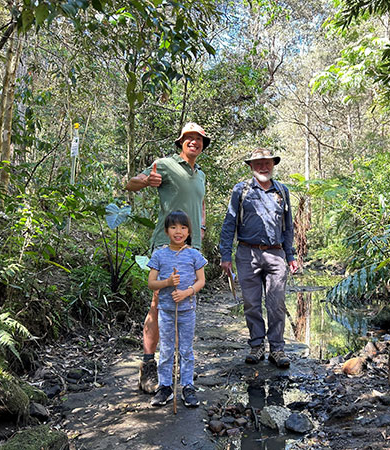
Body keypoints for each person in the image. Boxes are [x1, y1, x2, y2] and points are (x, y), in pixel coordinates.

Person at [126, 122, 210, 394]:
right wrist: (145, 181)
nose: (194, 142)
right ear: (181, 142)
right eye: (189, 138)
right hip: (166, 247)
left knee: (185, 303)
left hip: (191, 248)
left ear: (202, 145)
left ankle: (177, 368)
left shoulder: (201, 175)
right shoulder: (164, 165)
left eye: (198, 139)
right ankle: (149, 366)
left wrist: (202, 230)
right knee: (158, 304)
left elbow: (201, 204)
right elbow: (132, 184)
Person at [219, 149, 299, 369]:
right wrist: (225, 254)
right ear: (251, 167)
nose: (263, 167)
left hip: (276, 254)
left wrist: (290, 255)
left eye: (267, 163)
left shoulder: (282, 191)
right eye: (258, 164)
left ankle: (277, 349)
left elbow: (288, 225)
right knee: (252, 304)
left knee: (276, 303)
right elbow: (229, 223)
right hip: (247, 254)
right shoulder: (241, 190)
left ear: (273, 165)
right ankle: (256, 345)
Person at [147, 210, 207, 407]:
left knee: (186, 350)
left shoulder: (194, 254)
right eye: (173, 227)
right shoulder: (159, 255)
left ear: (189, 231)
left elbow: (201, 281)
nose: (178, 231)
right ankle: (165, 387)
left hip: (187, 310)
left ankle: (187, 386)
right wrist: (167, 282)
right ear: (166, 231)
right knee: (165, 349)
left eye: (182, 227)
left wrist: (186, 292)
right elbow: (151, 283)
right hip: (165, 309)